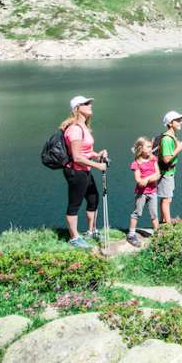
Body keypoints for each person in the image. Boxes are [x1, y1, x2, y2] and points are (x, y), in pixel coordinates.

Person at [61, 95, 108, 249]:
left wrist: (97, 154)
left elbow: (85, 150)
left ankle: (91, 230)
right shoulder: (74, 129)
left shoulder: (83, 127)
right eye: (86, 103)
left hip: (84, 170)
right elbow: (77, 157)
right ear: (77, 108)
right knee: (74, 204)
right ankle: (74, 238)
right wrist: (97, 165)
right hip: (76, 171)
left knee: (93, 200)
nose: (90, 105)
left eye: (89, 103)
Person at [127, 137, 160, 248]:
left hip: (153, 192)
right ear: (141, 148)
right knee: (137, 213)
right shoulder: (136, 163)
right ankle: (131, 234)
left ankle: (158, 235)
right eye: (148, 147)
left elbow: (158, 174)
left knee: (154, 214)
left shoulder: (153, 159)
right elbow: (138, 181)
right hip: (141, 193)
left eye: (151, 146)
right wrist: (147, 179)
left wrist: (146, 179)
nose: (151, 148)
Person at [157, 111, 182, 224]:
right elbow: (166, 159)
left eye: (180, 120)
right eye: (177, 120)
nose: (180, 122)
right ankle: (167, 224)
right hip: (166, 173)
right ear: (170, 123)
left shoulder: (171, 136)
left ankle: (164, 220)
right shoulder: (167, 139)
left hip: (169, 172)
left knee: (166, 197)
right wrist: (178, 148)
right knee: (166, 199)